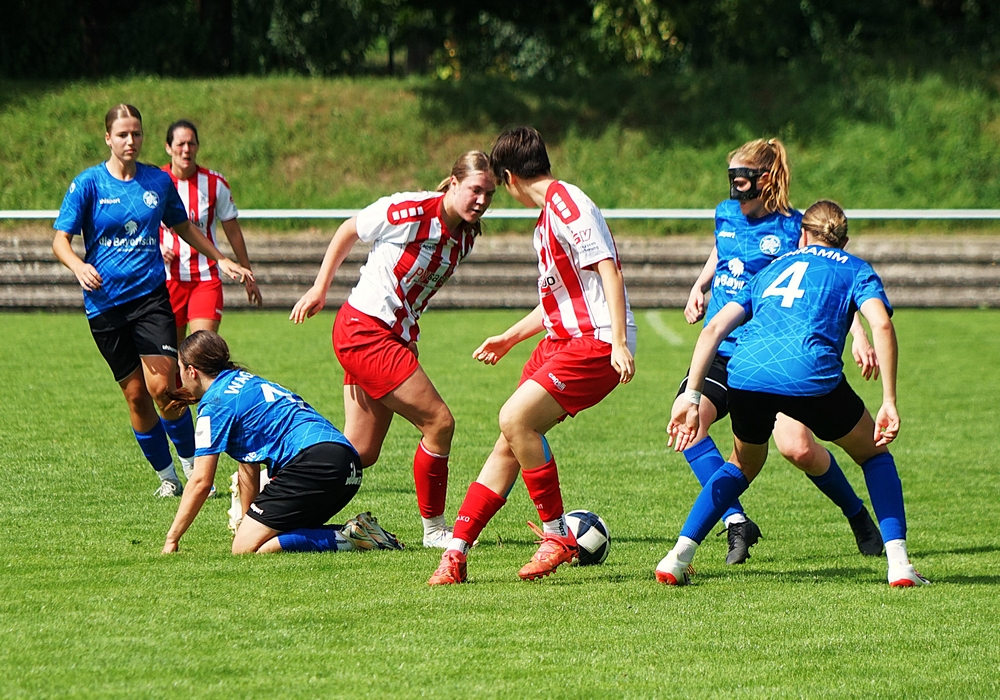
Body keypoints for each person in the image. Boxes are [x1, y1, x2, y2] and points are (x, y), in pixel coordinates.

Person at [660, 200, 928, 588]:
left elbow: (714, 328)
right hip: (810, 376)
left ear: (802, 235)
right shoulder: (855, 268)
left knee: (742, 465)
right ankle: (900, 565)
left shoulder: (771, 269)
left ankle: (676, 558)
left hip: (747, 374)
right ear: (844, 241)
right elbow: (882, 325)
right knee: (873, 454)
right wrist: (888, 400)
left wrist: (692, 395)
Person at [428, 126, 636, 586]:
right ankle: (456, 553)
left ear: (509, 177)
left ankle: (556, 535)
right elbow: (557, 302)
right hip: (560, 341)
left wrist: (619, 341)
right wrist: (509, 338)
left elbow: (608, 268)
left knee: (514, 418)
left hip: (595, 341)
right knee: (510, 438)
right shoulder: (547, 219)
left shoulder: (566, 203)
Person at [677, 138, 882, 565]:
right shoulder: (725, 212)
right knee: (689, 424)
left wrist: (858, 332)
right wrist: (701, 284)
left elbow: (821, 280)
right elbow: (722, 250)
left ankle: (858, 515)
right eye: (732, 180)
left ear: (764, 180)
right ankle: (736, 521)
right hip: (722, 350)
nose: (735, 190)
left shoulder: (793, 228)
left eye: (741, 181)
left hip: (770, 350)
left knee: (798, 449)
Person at [289, 151, 497, 548]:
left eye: (489, 194)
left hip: (389, 336)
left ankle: (279, 474)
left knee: (360, 452)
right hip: (366, 331)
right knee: (439, 423)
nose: (482, 200)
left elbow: (415, 289)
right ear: (453, 183)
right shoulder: (412, 210)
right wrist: (320, 288)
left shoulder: (466, 236)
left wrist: (408, 336)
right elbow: (350, 229)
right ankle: (435, 531)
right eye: (475, 190)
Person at [52, 104, 253, 498]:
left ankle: (193, 467)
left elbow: (184, 227)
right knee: (135, 396)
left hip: (150, 300)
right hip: (104, 305)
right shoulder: (88, 184)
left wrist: (221, 258)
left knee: (163, 386)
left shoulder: (157, 182)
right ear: (108, 138)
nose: (131, 141)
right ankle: (168, 478)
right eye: (122, 134)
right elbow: (60, 240)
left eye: (137, 133)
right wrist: (78, 265)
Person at [161, 331, 403, 554]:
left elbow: (201, 481)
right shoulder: (245, 380)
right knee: (267, 536)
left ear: (191, 371)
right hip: (347, 466)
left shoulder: (214, 404)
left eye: (180, 369)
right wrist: (249, 520)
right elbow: (249, 464)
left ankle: (351, 537)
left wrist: (172, 539)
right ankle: (361, 532)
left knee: (244, 549)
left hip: (314, 464)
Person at [159, 119, 262, 485]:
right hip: (165, 283)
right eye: (180, 144)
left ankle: (210, 450)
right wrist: (157, 251)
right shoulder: (154, 182)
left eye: (192, 143)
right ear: (168, 148)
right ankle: (187, 457)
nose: (186, 149)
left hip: (205, 280)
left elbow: (232, 228)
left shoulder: (214, 183)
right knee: (169, 376)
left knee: (201, 362)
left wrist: (246, 271)